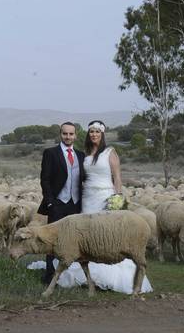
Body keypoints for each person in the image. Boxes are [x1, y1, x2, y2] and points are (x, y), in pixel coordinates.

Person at [55, 120, 153, 294]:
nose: (94, 134)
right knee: (88, 236)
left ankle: (112, 276)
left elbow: (117, 178)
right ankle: (87, 277)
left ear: (102, 134)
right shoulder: (84, 154)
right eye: (91, 131)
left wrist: (117, 199)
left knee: (108, 236)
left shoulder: (110, 152)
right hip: (88, 198)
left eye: (97, 132)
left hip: (105, 196)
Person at [37, 121, 85, 284]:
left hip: (75, 204)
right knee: (52, 239)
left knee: (73, 239)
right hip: (57, 203)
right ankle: (50, 275)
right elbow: (45, 179)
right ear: (60, 134)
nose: (68, 136)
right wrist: (50, 202)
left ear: (75, 135)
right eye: (65, 133)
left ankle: (70, 274)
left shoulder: (80, 155)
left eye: (71, 134)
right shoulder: (50, 153)